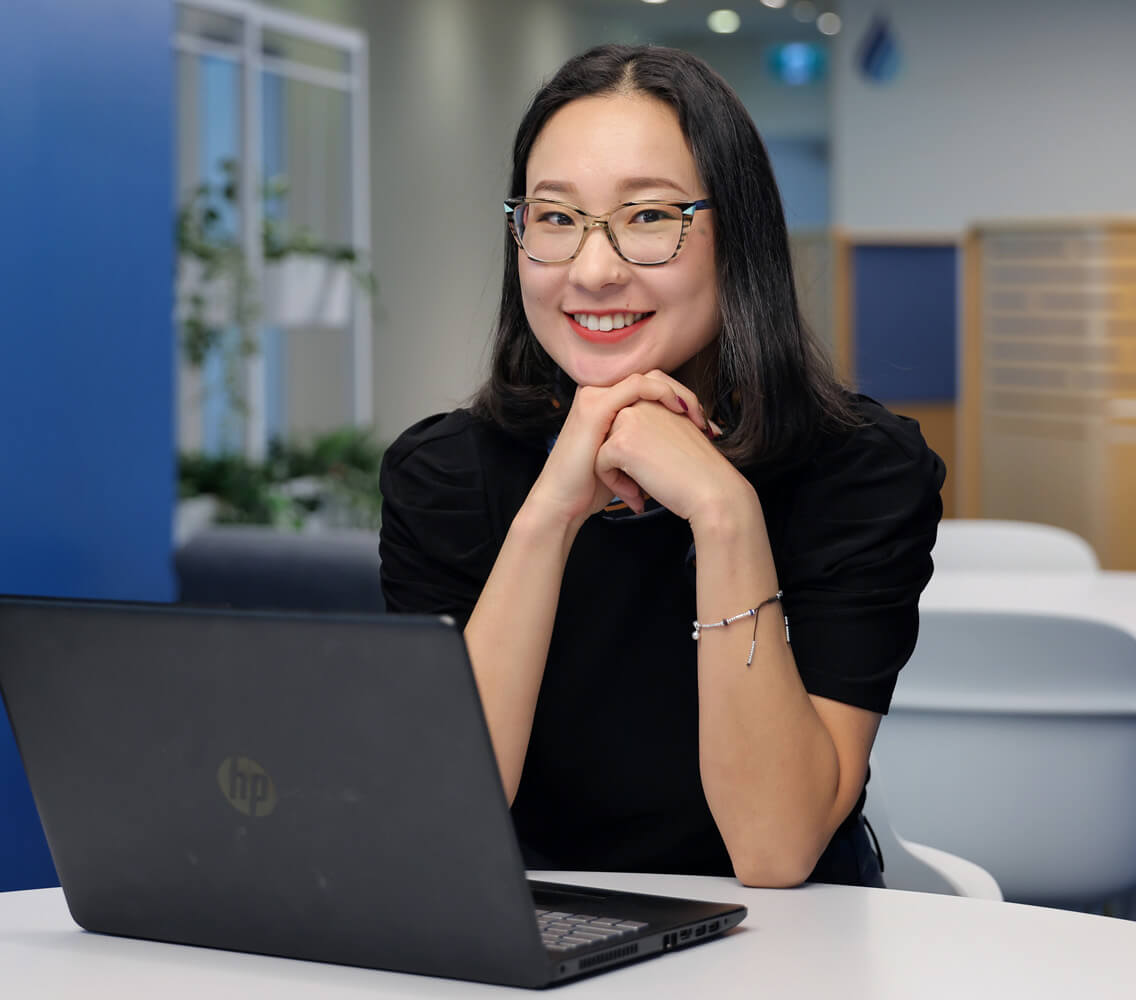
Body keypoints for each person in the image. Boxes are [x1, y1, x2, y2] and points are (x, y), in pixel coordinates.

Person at [378, 43, 945, 888]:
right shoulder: (443, 472)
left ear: (736, 236)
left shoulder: (862, 472)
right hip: (532, 936)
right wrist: (549, 513)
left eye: (648, 217)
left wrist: (724, 515)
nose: (593, 269)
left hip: (790, 948)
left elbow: (775, 847)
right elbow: (435, 824)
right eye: (556, 218)